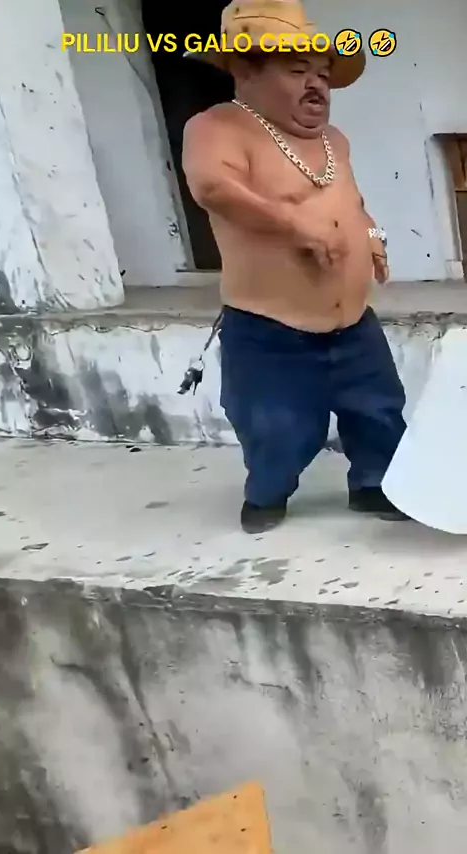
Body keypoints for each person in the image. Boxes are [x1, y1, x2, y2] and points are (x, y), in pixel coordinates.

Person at [182, 0, 409, 533]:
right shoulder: (217, 127)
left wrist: (371, 237)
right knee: (275, 425)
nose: (317, 86)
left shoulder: (334, 141)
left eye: (322, 74)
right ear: (246, 71)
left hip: (353, 322)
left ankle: (374, 485)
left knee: (378, 409)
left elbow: (351, 202)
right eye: (297, 70)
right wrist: (292, 224)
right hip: (271, 329)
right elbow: (213, 187)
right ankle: (267, 494)